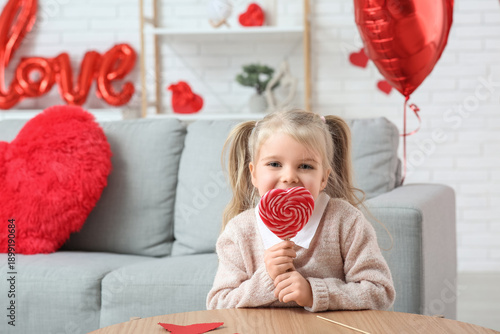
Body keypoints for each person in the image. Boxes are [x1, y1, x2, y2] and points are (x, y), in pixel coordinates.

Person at [206, 109, 395, 312]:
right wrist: (268, 278)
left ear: (323, 177)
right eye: (275, 164)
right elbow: (218, 303)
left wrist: (315, 293)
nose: (289, 177)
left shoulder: (346, 221)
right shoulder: (239, 231)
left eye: (305, 166)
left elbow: (380, 293)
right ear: (254, 174)